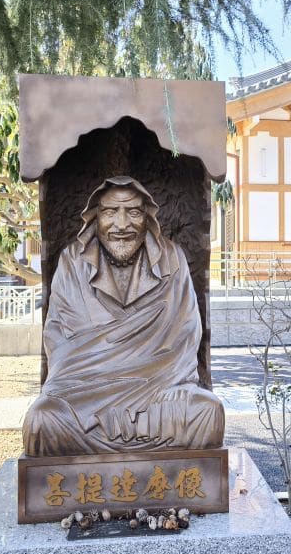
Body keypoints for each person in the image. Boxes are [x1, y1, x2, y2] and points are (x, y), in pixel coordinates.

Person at [22, 176, 225, 457]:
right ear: (95, 217)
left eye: (133, 212)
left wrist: (163, 381)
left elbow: (186, 336)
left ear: (147, 217)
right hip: (86, 396)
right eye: (109, 212)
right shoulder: (73, 261)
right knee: (42, 420)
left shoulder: (172, 258)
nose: (121, 224)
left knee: (207, 412)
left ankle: (119, 457)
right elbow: (60, 343)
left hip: (158, 393)